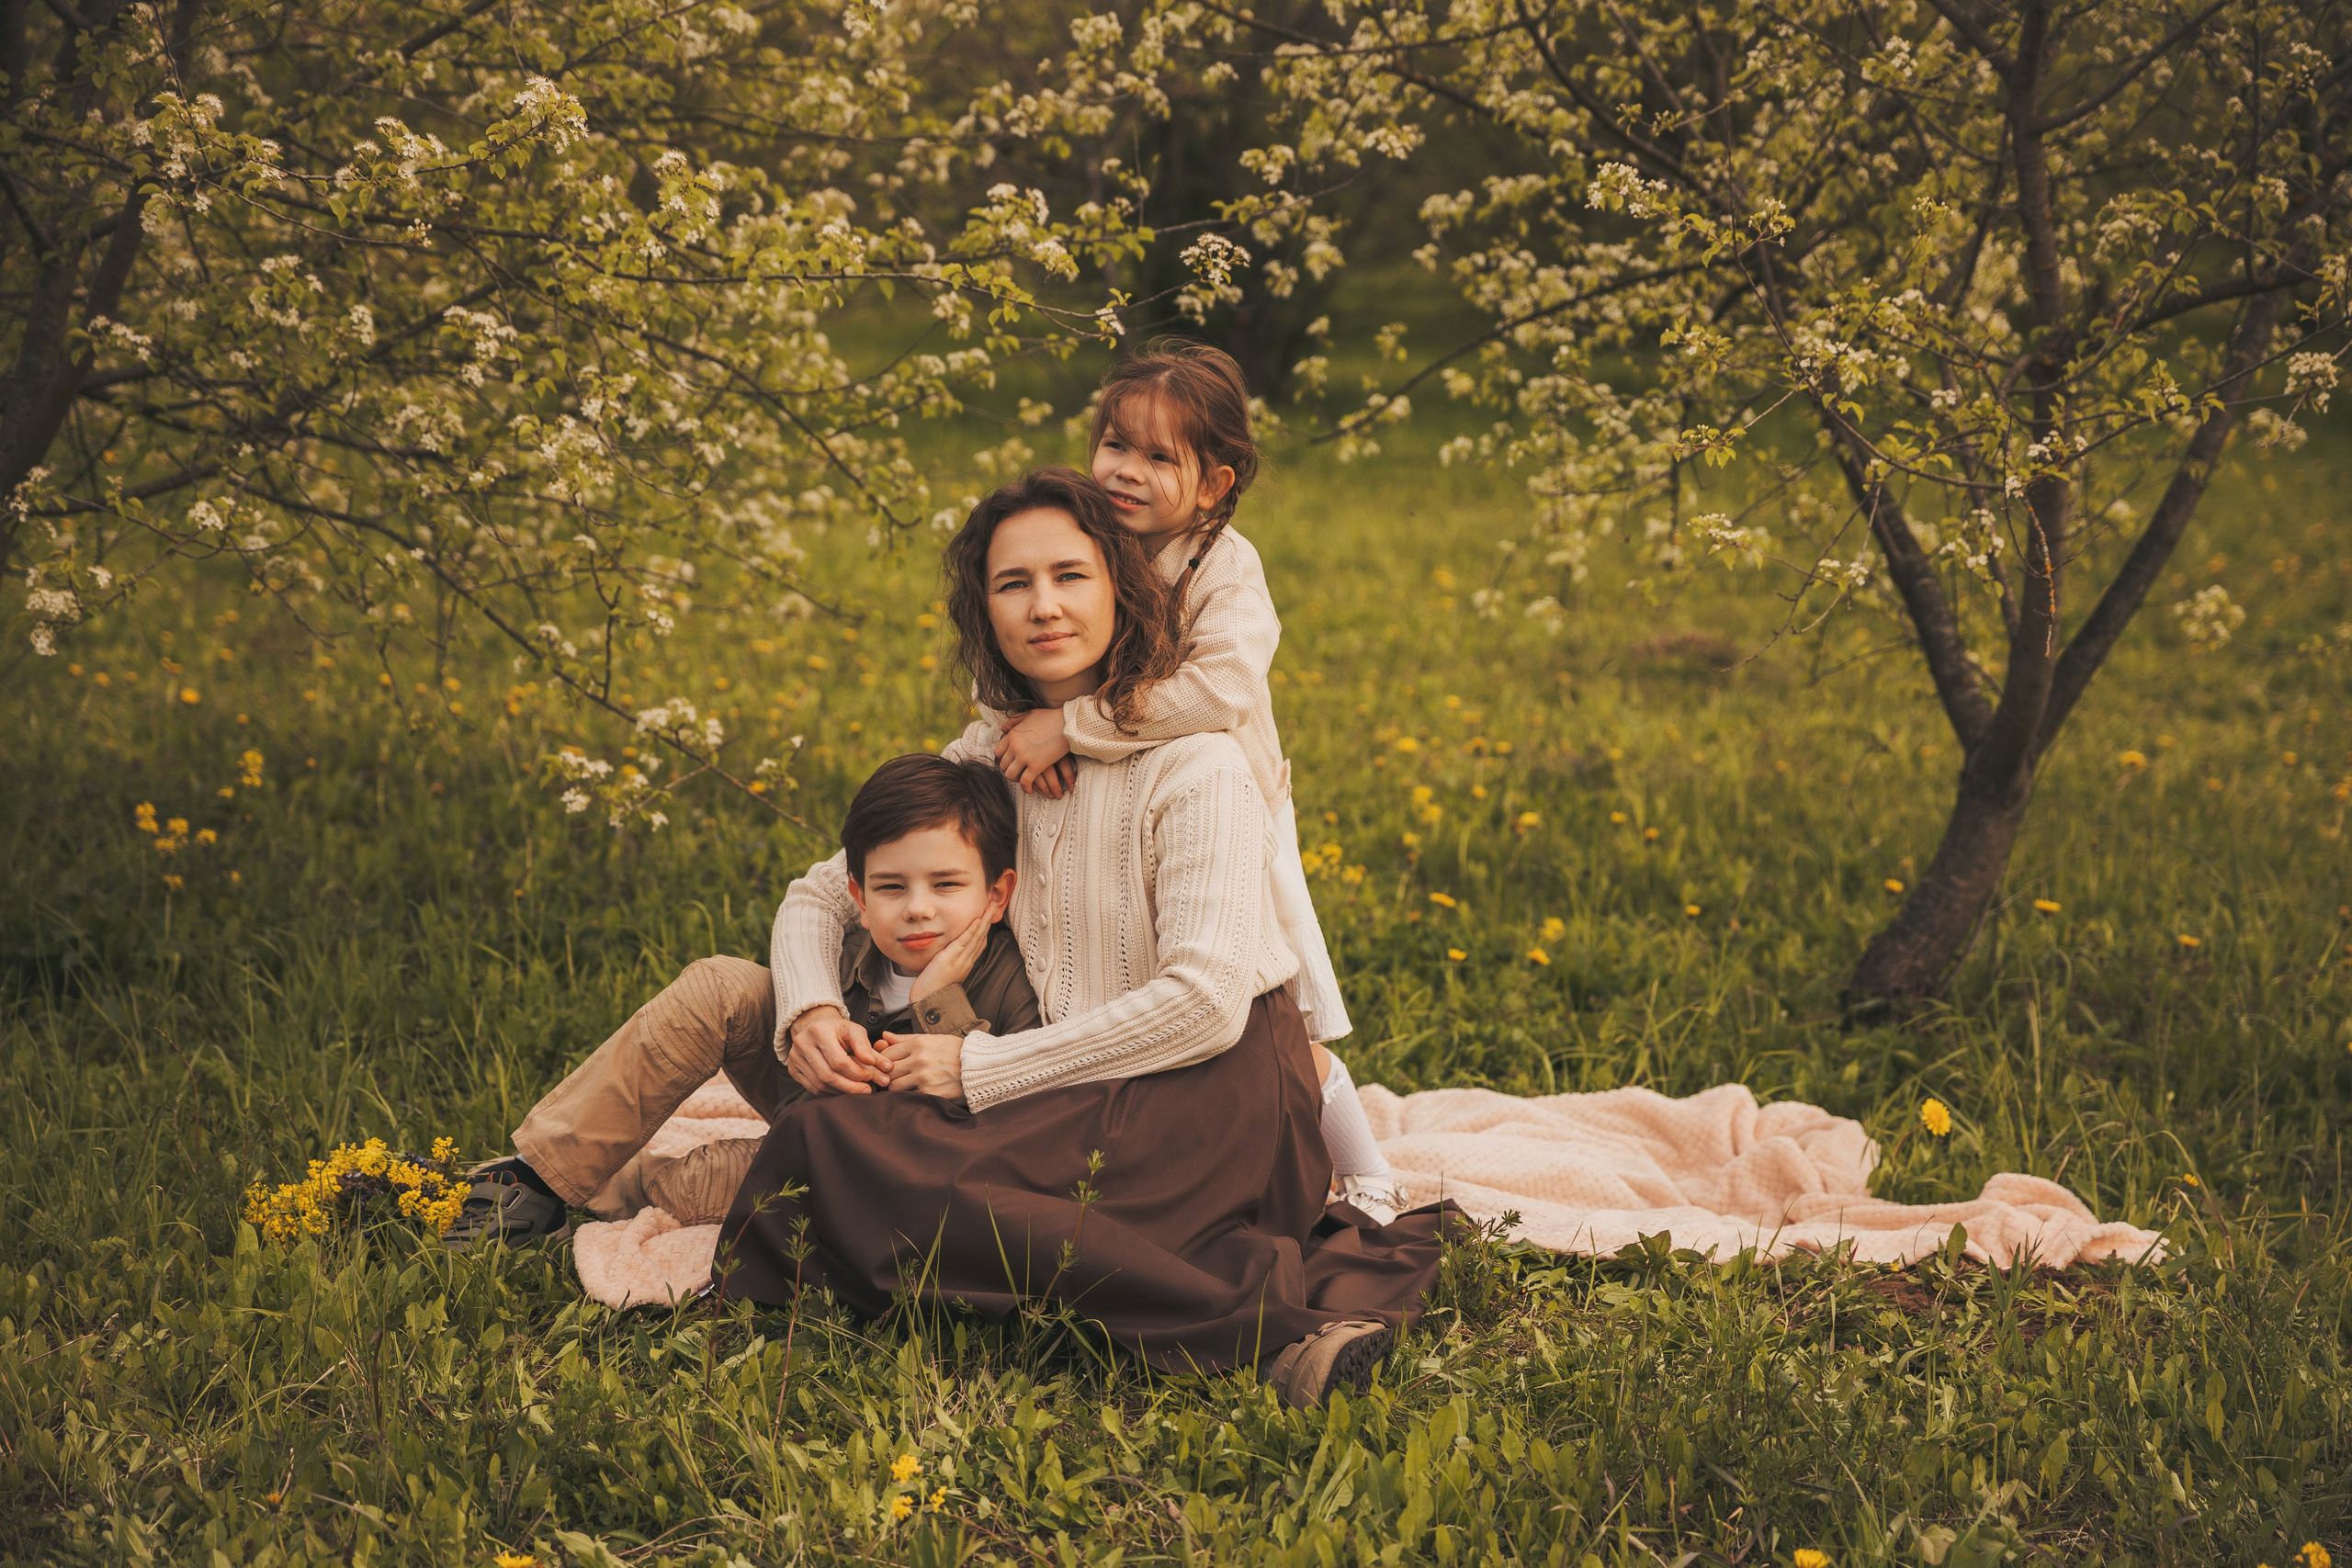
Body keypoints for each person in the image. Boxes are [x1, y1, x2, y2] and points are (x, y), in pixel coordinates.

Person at [735, 467, 1455, 1409]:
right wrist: (812, 1006)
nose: (1043, 607)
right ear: (982, 609)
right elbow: (818, 893)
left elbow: (1203, 1004)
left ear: (1122, 585)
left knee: (969, 1187)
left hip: (1210, 1086)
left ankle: (1289, 1339)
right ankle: (1174, 1301)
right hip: (1067, 1083)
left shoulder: (1197, 765)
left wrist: (980, 1071)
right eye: (1012, 583)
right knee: (825, 1134)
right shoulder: (992, 750)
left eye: (1070, 576)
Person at [983, 343, 1402, 1219]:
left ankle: (1365, 1171)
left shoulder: (1224, 566)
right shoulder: (1109, 543)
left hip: (1226, 803)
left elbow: (1220, 690)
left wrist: (1074, 727)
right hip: (1125, 792)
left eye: (1157, 457)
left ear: (1214, 483)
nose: (1124, 472)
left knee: (1274, 1013)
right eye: (1114, 445)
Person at [440, 753, 1040, 1250]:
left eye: (945, 884)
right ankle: (533, 1177)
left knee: (704, 1179)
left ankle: (601, 1188)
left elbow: (1005, 1132)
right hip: (806, 1104)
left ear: (997, 892)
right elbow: (796, 1050)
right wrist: (811, 1021)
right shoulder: (855, 946)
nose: (916, 908)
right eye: (891, 887)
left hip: (869, 1167)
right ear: (857, 894)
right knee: (721, 983)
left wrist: (938, 1002)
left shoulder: (1013, 978)